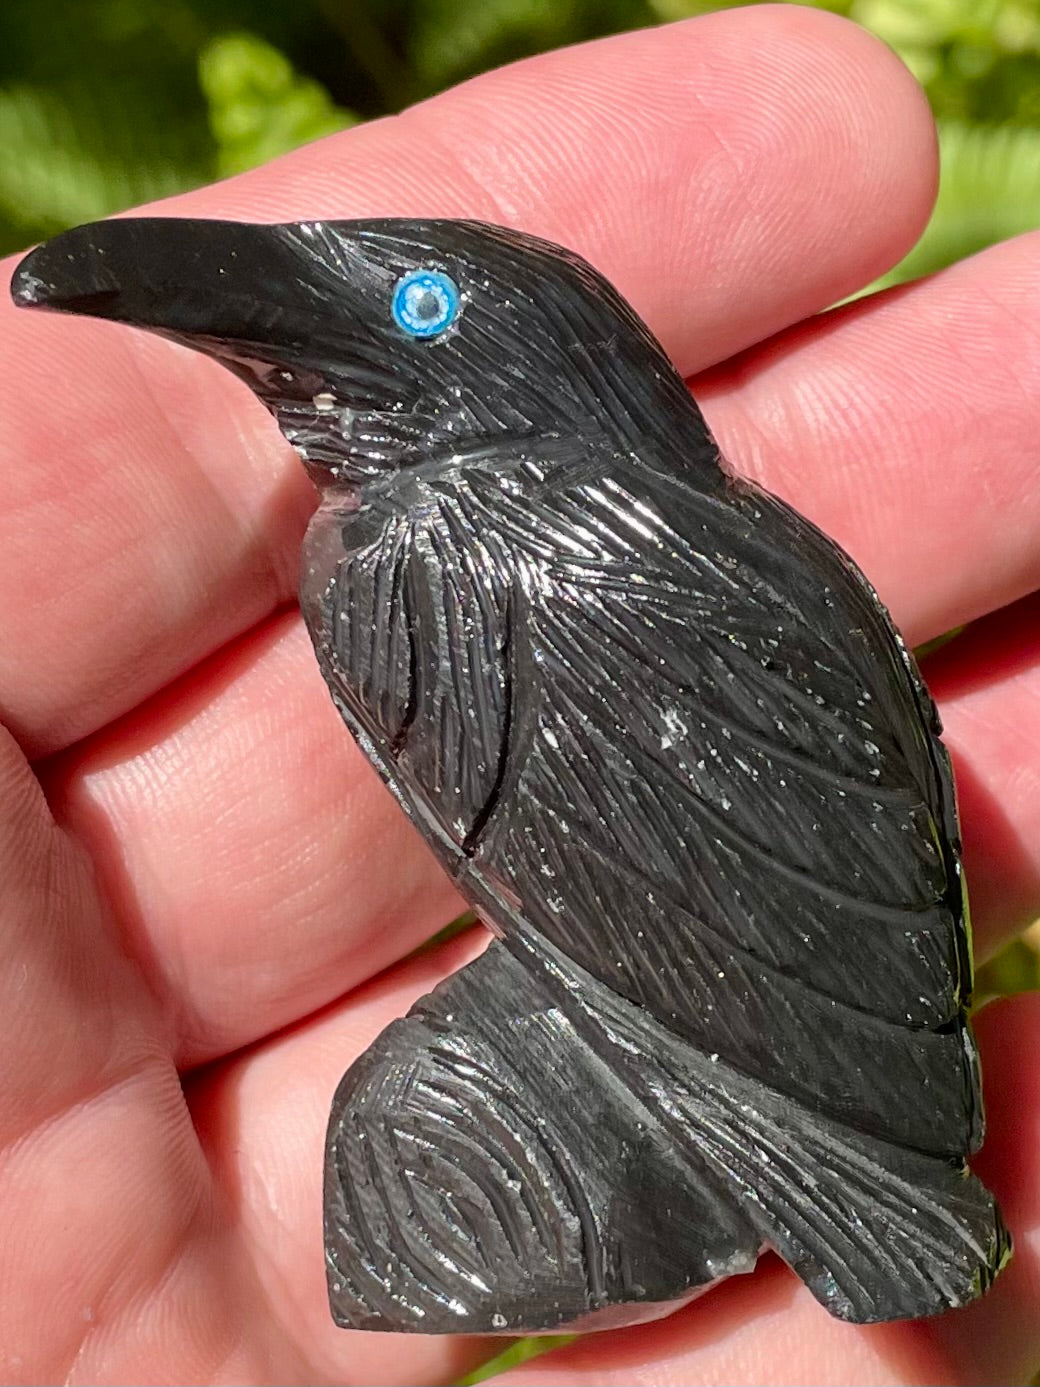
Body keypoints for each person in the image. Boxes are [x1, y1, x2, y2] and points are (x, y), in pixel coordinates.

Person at [1, 5, 1038, 1383]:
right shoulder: (630, 534)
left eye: (418, 310)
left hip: (746, 1033)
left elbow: (668, 874)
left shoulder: (446, 544)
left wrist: (816, 1114)